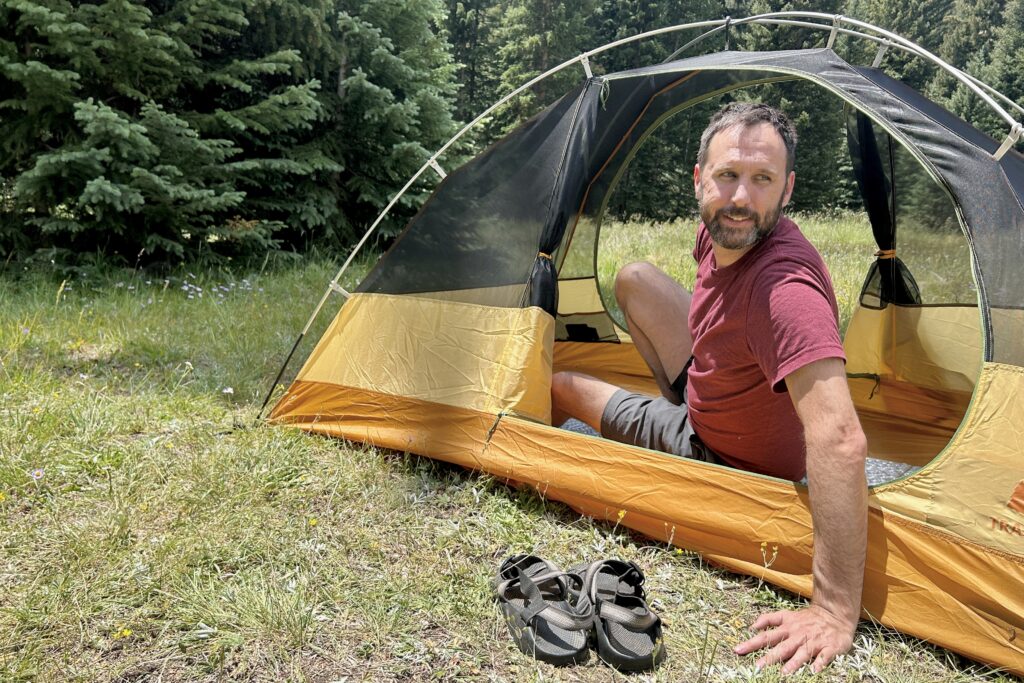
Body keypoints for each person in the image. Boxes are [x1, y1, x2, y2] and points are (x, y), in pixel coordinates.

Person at [551, 102, 868, 674]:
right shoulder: (715, 233)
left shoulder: (784, 291)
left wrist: (835, 609)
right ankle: (678, 400)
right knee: (634, 280)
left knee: (561, 385)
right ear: (699, 179)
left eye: (762, 180)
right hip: (710, 394)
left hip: (721, 448)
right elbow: (711, 311)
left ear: (787, 188)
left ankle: (665, 428)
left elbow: (841, 439)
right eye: (728, 176)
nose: (741, 199)